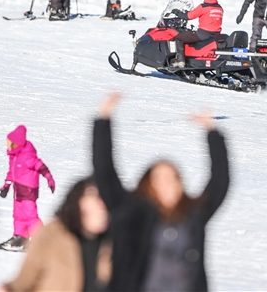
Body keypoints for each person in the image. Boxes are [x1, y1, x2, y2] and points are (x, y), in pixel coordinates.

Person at [93, 92, 229, 291]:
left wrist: (212, 133)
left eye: (172, 178)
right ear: (147, 184)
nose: (166, 184)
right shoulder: (131, 213)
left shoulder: (193, 214)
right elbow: (105, 173)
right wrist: (103, 119)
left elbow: (219, 183)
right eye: (158, 179)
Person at [0, 177, 112, 292]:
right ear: (78, 203)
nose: (101, 204)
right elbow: (24, 281)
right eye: (94, 197)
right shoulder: (52, 235)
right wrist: (5, 289)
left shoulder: (116, 239)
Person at [0, 125, 56, 250]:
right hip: (18, 191)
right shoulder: (14, 157)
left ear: (16, 144)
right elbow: (11, 173)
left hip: (28, 191)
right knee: (18, 215)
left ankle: (40, 240)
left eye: (9, 143)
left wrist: (49, 179)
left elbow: (41, 167)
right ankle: (20, 237)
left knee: (31, 216)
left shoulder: (27, 156)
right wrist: (6, 186)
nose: (7, 145)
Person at [171, 0, 224, 68]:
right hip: (215, 35)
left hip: (203, 34)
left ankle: (180, 61)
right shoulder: (219, 8)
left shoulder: (203, 7)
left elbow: (189, 16)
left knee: (179, 37)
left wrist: (178, 13)